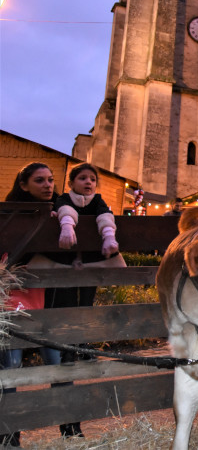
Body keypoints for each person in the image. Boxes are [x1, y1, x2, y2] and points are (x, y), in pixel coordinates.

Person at [1, 163, 83, 444]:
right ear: (23, 185)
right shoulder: (11, 217)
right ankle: (9, 435)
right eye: (39, 180)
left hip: (53, 302)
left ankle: (70, 431)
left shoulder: (62, 212)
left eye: (50, 179)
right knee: (10, 369)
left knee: (59, 363)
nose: (48, 185)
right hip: (17, 302)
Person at [47, 163, 127, 367]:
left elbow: (105, 215)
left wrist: (109, 236)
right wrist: (66, 224)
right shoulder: (63, 199)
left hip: (91, 262)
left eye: (92, 179)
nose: (88, 182)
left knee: (86, 303)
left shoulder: (98, 200)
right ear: (71, 182)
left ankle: (82, 343)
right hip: (65, 262)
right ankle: (67, 349)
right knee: (67, 304)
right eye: (82, 178)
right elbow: (64, 209)